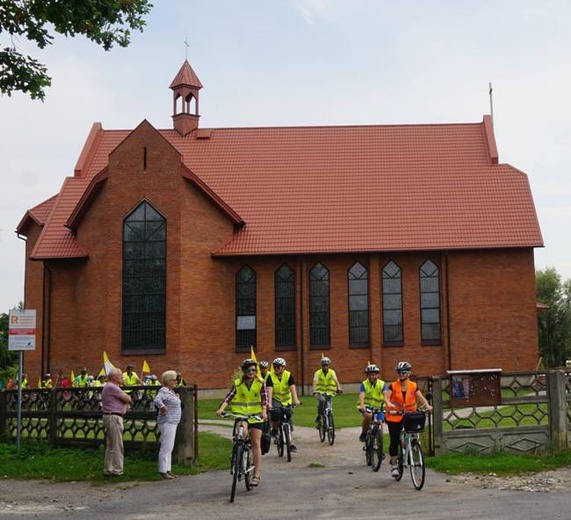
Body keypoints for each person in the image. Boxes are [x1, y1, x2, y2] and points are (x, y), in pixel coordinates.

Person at [216, 359, 268, 487]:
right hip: (241, 415)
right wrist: (221, 409)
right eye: (249, 370)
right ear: (244, 371)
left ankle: (256, 474)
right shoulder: (238, 383)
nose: (252, 372)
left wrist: (264, 411)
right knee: (241, 434)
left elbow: (264, 399)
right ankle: (238, 453)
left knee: (256, 443)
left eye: (254, 370)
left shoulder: (260, 383)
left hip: (256, 416)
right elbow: (229, 397)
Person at [384, 361, 432, 477]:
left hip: (409, 415)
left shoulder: (413, 385)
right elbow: (386, 397)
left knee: (413, 433)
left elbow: (420, 398)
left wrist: (427, 406)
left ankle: (411, 445)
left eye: (403, 372)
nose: (401, 374)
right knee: (394, 440)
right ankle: (394, 465)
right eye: (399, 372)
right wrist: (388, 403)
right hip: (394, 416)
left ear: (408, 373)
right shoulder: (393, 385)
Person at [101, 367, 132, 476]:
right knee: (117, 444)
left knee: (110, 445)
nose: (122, 378)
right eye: (120, 376)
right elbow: (127, 399)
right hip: (114, 417)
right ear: (114, 377)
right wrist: (128, 397)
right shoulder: (112, 387)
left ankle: (108, 468)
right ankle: (117, 469)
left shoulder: (109, 387)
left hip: (110, 416)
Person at [266, 357, 301, 452]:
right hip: (275, 399)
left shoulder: (288, 375)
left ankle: (291, 443)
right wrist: (269, 403)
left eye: (278, 367)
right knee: (276, 413)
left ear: (283, 367)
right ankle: (274, 428)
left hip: (286, 400)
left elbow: (292, 388)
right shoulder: (270, 376)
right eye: (274, 367)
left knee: (288, 417)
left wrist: (296, 400)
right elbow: (269, 391)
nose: (276, 369)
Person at [153, 370, 182, 479]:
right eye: (174, 380)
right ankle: (163, 470)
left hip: (173, 421)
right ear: (168, 381)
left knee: (170, 447)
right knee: (166, 446)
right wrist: (163, 407)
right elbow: (157, 400)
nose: (176, 382)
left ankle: (168, 469)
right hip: (167, 421)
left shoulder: (171, 391)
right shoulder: (164, 390)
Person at [358, 364, 386, 441]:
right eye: (370, 375)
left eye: (373, 375)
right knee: (368, 415)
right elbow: (362, 395)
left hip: (379, 407)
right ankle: (364, 432)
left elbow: (385, 395)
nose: (371, 377)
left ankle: (379, 445)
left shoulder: (382, 384)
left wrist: (388, 403)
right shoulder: (364, 384)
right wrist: (362, 405)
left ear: (377, 375)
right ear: (367, 375)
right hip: (367, 406)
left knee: (380, 422)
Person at [312, 357, 342, 423]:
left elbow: (336, 381)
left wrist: (339, 388)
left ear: (329, 365)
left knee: (329, 409)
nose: (325, 367)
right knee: (322, 401)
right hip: (320, 392)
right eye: (323, 365)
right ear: (321, 365)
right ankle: (319, 415)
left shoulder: (332, 372)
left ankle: (330, 426)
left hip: (330, 393)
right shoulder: (317, 373)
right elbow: (315, 382)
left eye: (327, 365)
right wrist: (314, 391)